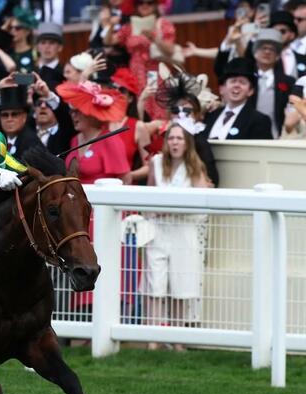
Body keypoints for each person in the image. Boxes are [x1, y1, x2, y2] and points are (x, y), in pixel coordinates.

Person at [144, 123, 212, 351]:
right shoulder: (156, 163)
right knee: (155, 284)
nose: (174, 142)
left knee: (181, 286)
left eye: (179, 138)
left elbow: (202, 205)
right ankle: (152, 340)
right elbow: (147, 197)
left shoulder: (195, 167)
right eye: (171, 138)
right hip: (158, 230)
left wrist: (172, 208)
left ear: (187, 142)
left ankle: (178, 341)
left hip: (184, 230)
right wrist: (154, 212)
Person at [57, 80, 131, 184]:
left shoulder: (110, 140)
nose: (73, 116)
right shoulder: (75, 140)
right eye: (72, 112)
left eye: (77, 112)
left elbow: (126, 179)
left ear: (90, 115)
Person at [202, 58, 273, 140]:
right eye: (233, 81)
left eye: (242, 82)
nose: (236, 85)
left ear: (250, 91)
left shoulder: (259, 120)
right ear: (222, 89)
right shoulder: (210, 116)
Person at [250, 28, 295, 139]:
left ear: (278, 56)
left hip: (276, 136)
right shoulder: (246, 78)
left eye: (272, 49)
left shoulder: (288, 82)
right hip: (247, 134)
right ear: (255, 53)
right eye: (263, 48)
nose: (267, 52)